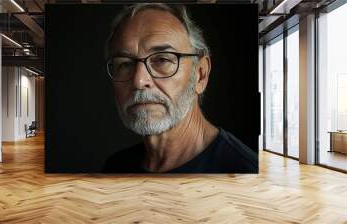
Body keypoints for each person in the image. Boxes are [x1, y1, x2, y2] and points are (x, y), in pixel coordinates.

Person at [102, 3, 258, 173]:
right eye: (124, 64)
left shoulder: (243, 172)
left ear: (200, 75)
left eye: (162, 60)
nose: (139, 81)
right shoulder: (115, 168)